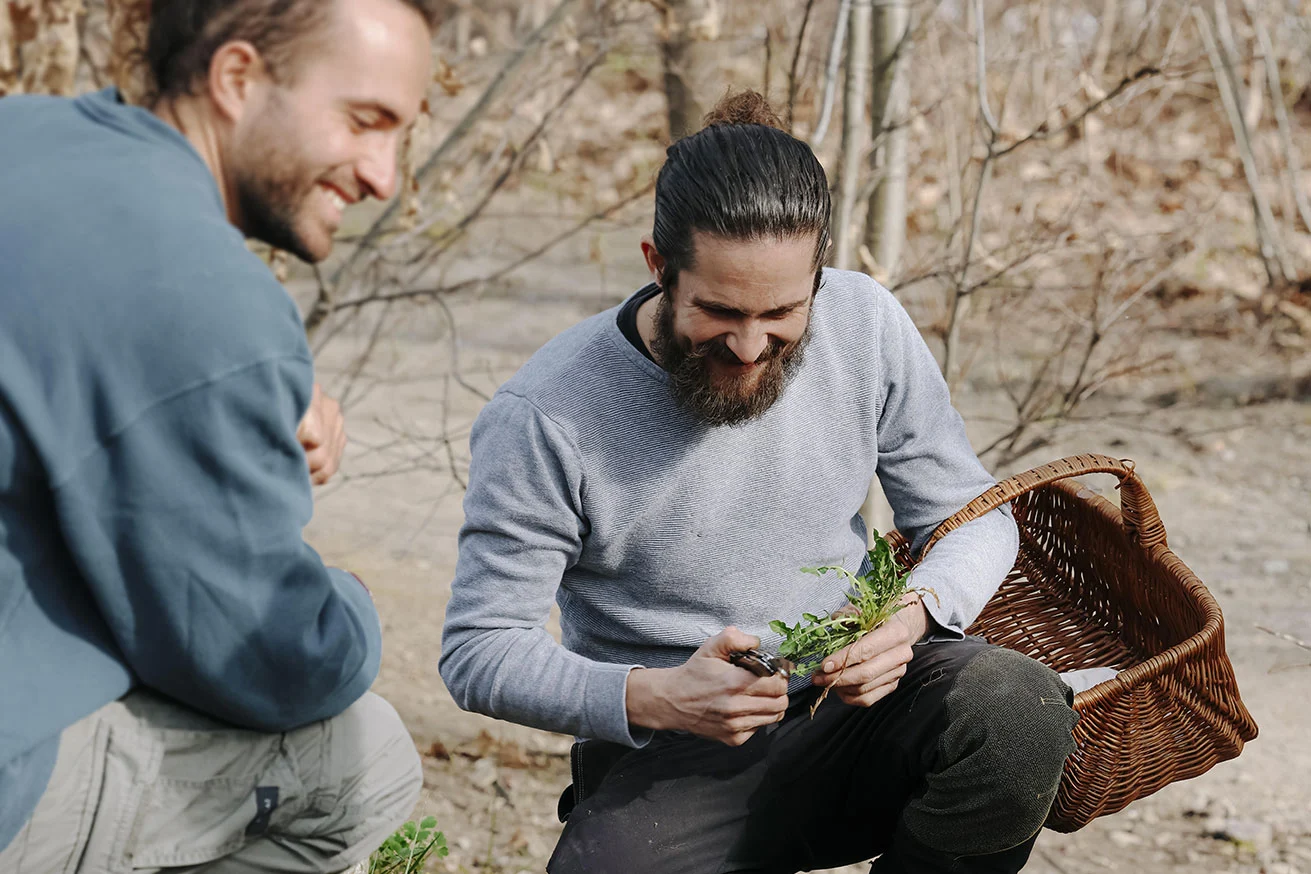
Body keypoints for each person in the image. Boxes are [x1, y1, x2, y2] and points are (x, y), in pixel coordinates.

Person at [440, 91, 1080, 874]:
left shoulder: (865, 323)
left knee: (1016, 711)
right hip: (676, 752)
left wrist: (911, 619)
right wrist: (657, 695)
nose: (749, 347)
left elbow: (973, 515)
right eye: (718, 311)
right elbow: (480, 650)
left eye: (782, 312)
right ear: (657, 267)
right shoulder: (547, 413)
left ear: (818, 274)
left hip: (856, 710)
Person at [0, 0, 440, 869]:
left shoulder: (25, 133)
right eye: (364, 122)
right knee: (364, 758)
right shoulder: (199, 291)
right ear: (237, 79)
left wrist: (253, 387)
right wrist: (348, 602)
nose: (383, 176)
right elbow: (269, 656)